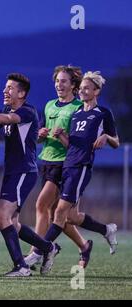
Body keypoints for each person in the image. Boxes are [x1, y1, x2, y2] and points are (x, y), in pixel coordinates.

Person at [0, 73, 59, 276]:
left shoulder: (27, 112)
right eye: (5, 87)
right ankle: (48, 248)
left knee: (1, 215)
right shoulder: (6, 110)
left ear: (22, 93)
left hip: (24, 171)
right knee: (11, 222)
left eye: (10, 88)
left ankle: (21, 266)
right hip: (13, 172)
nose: (5, 91)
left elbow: (8, 119)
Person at [40, 71, 119, 274]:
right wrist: (62, 136)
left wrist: (106, 137)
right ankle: (105, 230)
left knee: (56, 211)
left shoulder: (103, 112)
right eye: (81, 87)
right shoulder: (77, 114)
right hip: (68, 164)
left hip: (82, 167)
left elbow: (116, 142)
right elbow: (72, 146)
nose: (82, 91)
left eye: (86, 88)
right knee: (71, 217)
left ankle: (39, 250)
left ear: (96, 91)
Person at [25, 65, 93, 269]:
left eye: (64, 81)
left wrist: (63, 136)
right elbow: (37, 137)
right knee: (58, 216)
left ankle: (36, 251)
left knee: (41, 205)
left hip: (66, 164)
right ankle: (84, 245)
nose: (59, 85)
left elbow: (78, 145)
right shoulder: (49, 105)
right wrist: (40, 135)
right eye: (57, 81)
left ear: (74, 85)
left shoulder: (79, 108)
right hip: (47, 160)